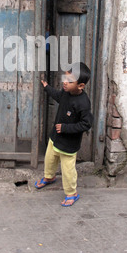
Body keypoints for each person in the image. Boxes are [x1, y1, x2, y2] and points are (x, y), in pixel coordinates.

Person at [35, 62, 93, 207]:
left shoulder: (83, 103)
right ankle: (49, 177)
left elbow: (86, 124)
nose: (65, 83)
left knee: (68, 171)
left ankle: (72, 193)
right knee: (49, 160)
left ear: (80, 86)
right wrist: (46, 87)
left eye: (69, 81)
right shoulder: (66, 93)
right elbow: (57, 95)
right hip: (55, 138)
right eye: (65, 78)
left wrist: (66, 128)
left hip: (69, 145)